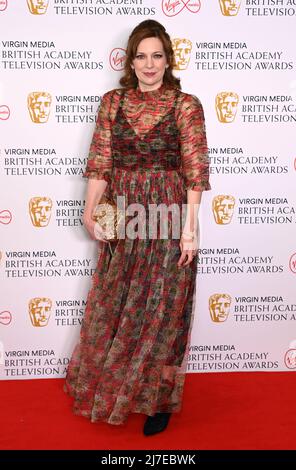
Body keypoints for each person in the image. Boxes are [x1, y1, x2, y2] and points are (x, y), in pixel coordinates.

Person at [64, 19, 211, 436]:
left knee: (163, 310)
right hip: (123, 216)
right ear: (131, 60)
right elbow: (100, 162)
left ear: (168, 59)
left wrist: (190, 228)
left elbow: (196, 171)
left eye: (157, 56)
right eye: (141, 56)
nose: (149, 65)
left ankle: (158, 401)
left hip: (167, 216)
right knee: (116, 305)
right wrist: (90, 210)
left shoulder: (186, 105)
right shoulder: (113, 102)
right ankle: (117, 388)